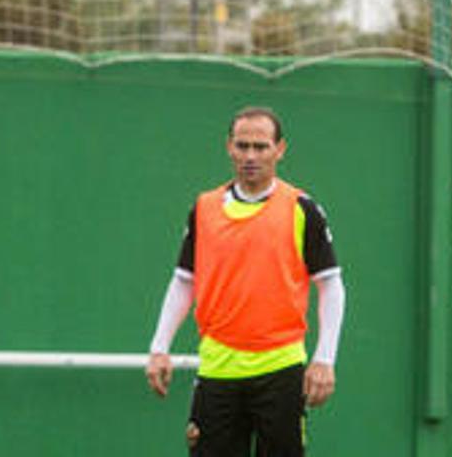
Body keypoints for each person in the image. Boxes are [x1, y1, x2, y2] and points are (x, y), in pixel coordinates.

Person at [145, 106, 346, 457]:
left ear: (279, 149)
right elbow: (183, 281)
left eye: (260, 146)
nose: (251, 156)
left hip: (280, 370)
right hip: (217, 370)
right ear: (229, 147)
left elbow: (331, 286)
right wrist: (159, 347)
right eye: (243, 146)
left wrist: (325, 358)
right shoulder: (204, 208)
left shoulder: (301, 209)